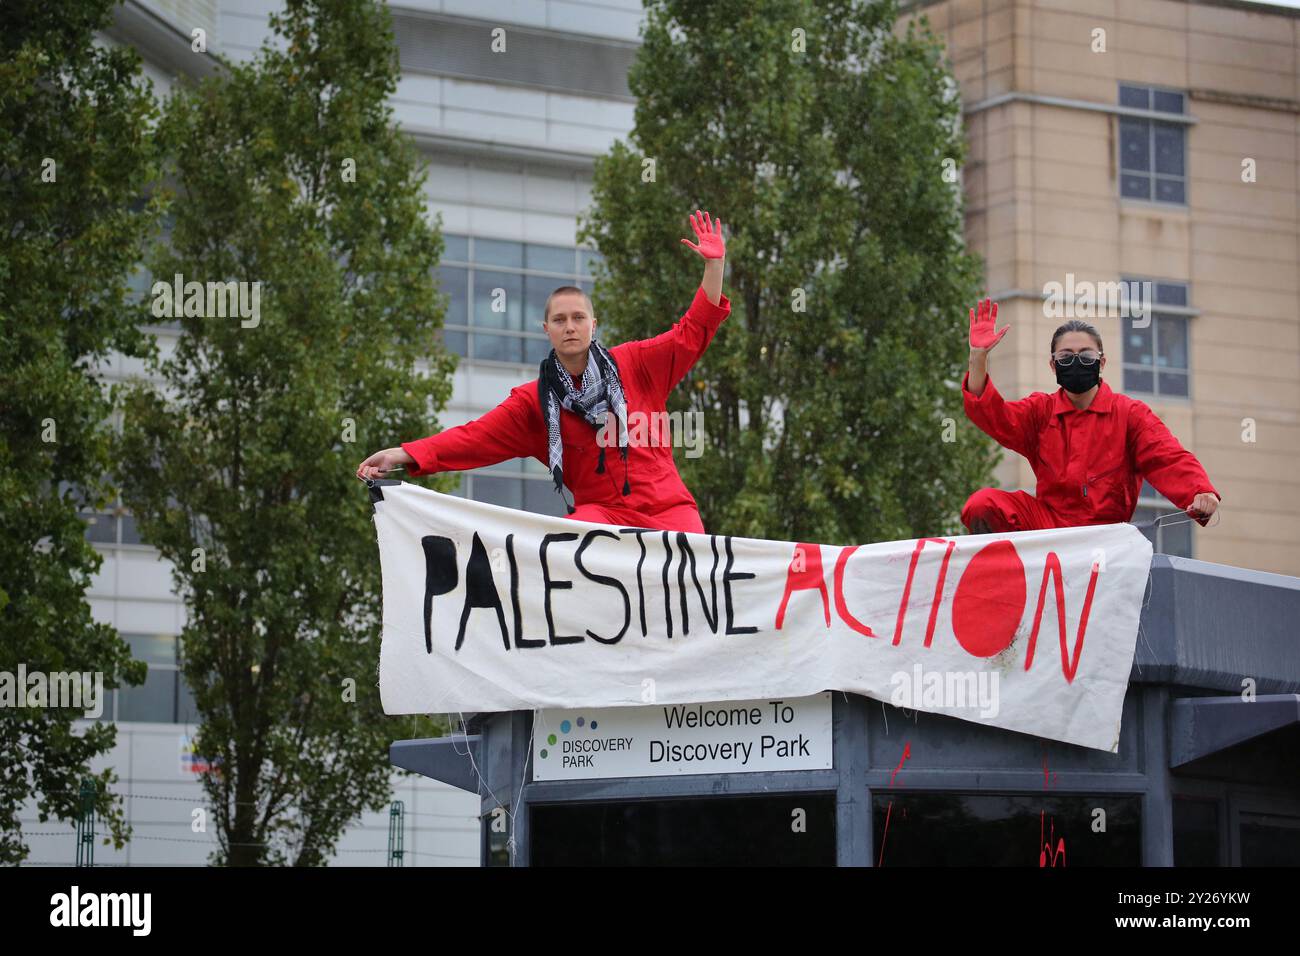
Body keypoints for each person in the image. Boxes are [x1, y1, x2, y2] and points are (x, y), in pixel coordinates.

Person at [357, 209, 730, 534]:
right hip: (604, 515)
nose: (570, 326)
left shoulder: (636, 363)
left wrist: (714, 266)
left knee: (697, 568)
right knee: (569, 540)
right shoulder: (533, 403)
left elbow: (693, 331)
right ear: (547, 329)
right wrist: (402, 454)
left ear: (593, 325)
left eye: (578, 318)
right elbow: (474, 438)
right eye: (560, 319)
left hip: (668, 510)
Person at [960, 297, 1221, 533]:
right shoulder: (1040, 412)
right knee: (982, 505)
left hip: (1104, 535)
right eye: (1065, 356)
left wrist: (1200, 491)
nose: (1076, 362)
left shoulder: (1130, 414)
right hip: (1048, 526)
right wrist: (978, 356)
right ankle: (1004, 577)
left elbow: (1168, 458)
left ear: (1102, 362)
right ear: (1053, 365)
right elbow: (992, 413)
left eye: (1086, 356)